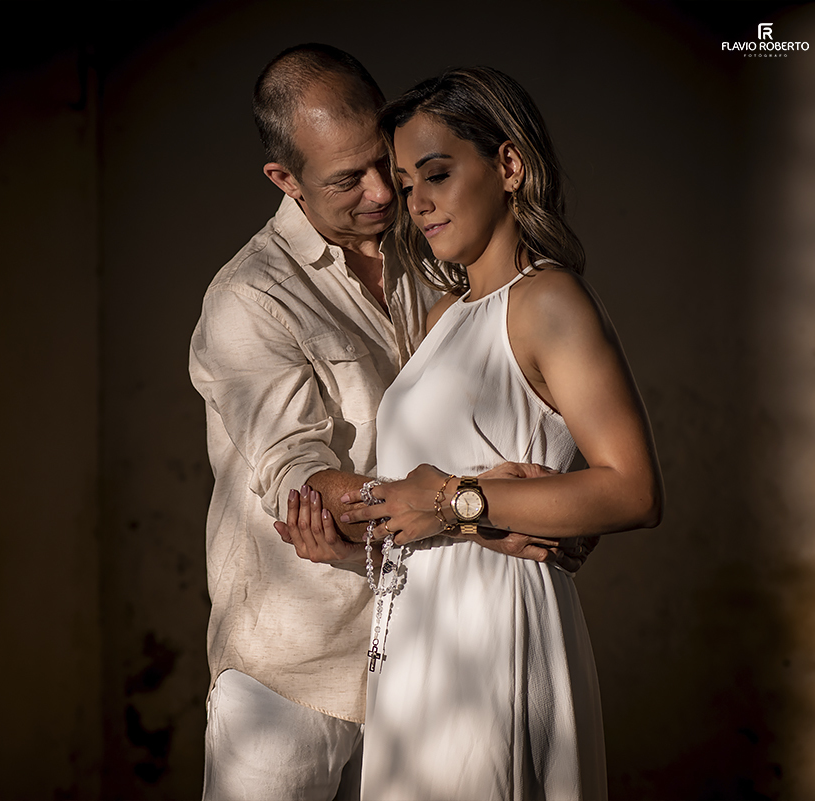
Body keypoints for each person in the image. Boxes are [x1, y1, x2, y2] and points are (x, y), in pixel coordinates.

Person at [189, 47, 588, 801]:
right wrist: (475, 513)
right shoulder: (248, 299)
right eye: (347, 179)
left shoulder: (437, 254)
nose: (381, 192)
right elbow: (305, 483)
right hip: (294, 675)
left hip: (431, 657)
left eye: (386, 164)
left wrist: (545, 506)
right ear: (285, 180)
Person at [282, 66, 664, 799]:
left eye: (436, 173)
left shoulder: (548, 298)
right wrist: (379, 521)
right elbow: (415, 498)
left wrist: (460, 500)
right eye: (404, 180)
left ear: (509, 165)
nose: (414, 202)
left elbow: (634, 488)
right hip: (415, 633)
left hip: (491, 631)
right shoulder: (443, 317)